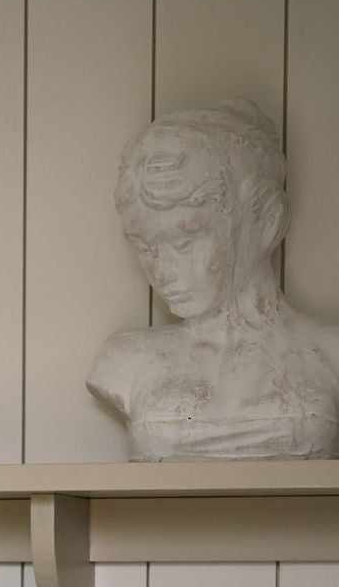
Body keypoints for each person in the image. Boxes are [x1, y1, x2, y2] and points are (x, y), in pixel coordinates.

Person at [87, 98, 339, 460]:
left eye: (185, 242)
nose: (162, 269)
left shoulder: (330, 351)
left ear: (267, 223)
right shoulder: (125, 360)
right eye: (144, 247)